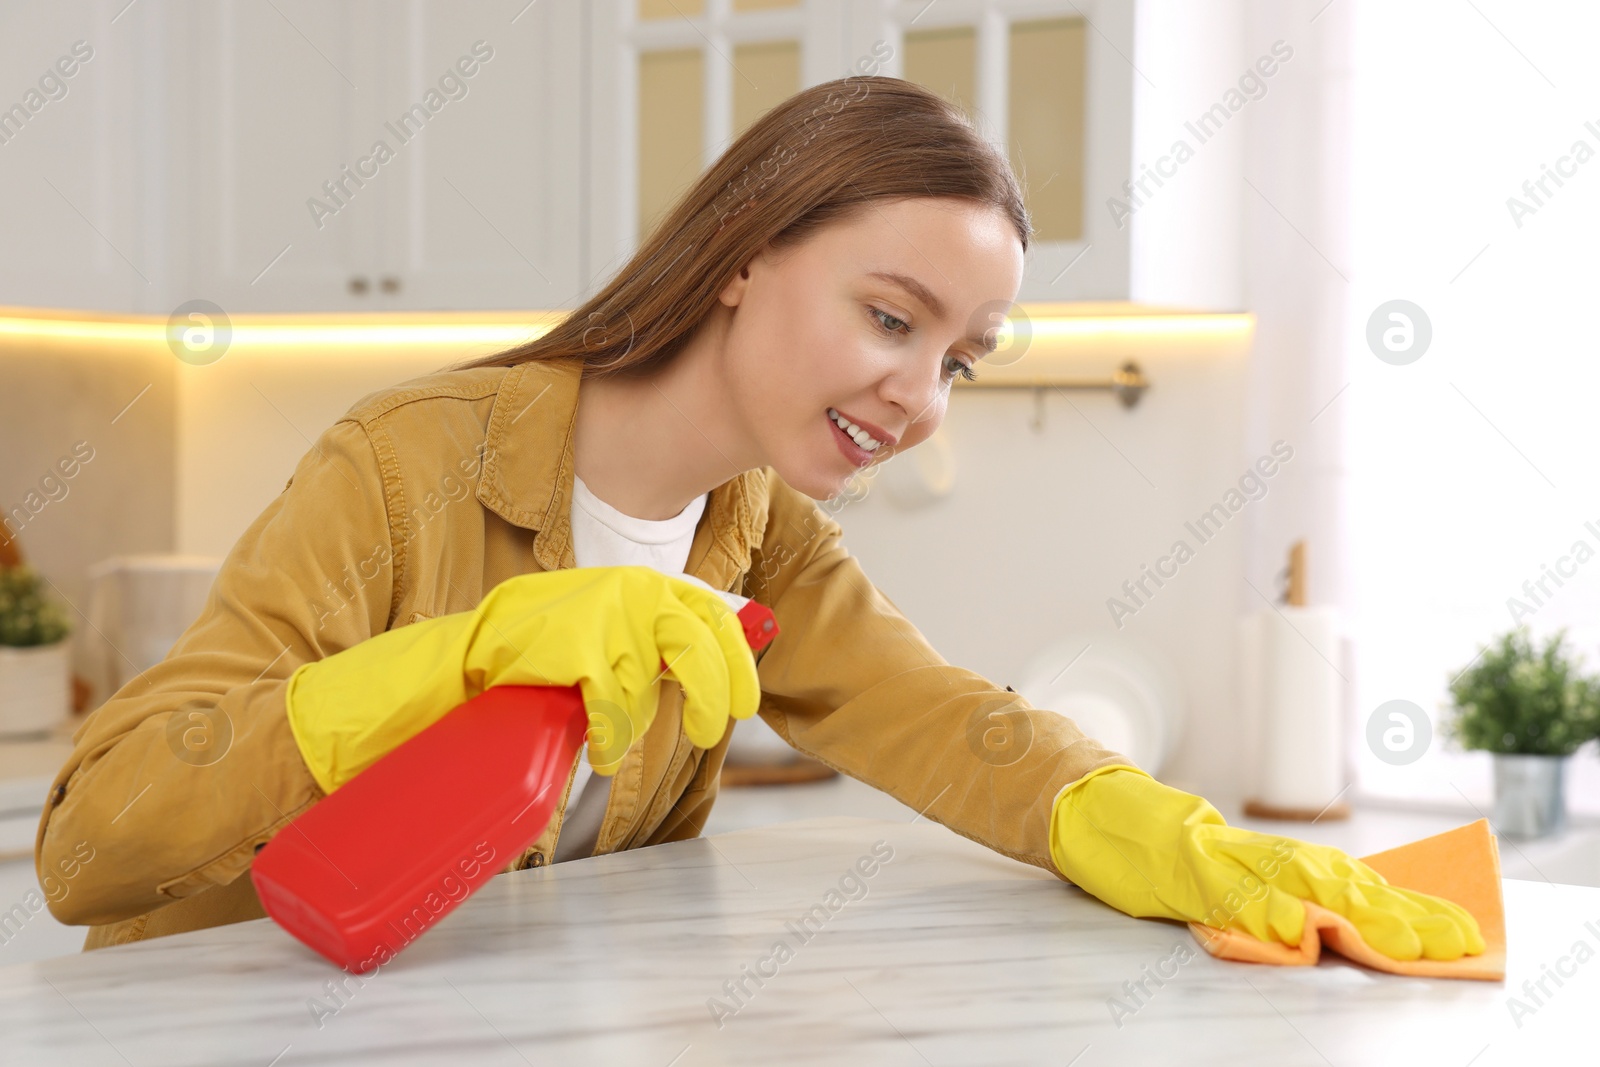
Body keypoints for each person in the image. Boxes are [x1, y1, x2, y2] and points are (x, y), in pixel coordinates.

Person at [37, 76, 1483, 964]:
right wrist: (461, 661)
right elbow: (89, 845)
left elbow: (940, 720)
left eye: (960, 359)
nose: (922, 396)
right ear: (741, 257)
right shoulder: (407, 469)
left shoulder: (761, 538)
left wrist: (1161, 834)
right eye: (888, 317)